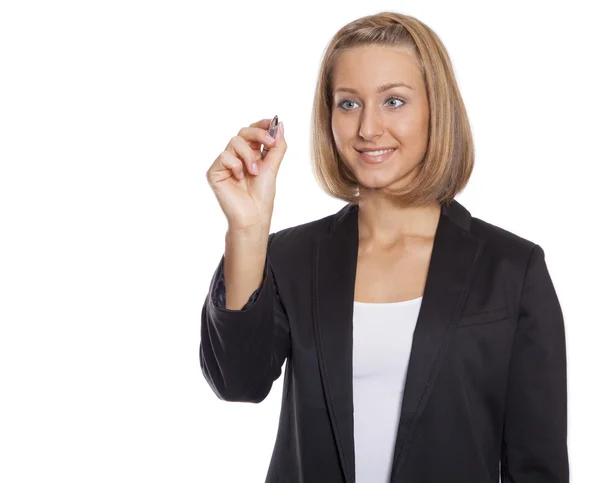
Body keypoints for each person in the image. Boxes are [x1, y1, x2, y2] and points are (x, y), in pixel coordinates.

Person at [200, 11, 569, 483]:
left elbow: (537, 466)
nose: (368, 129)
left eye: (394, 101)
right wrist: (247, 228)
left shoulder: (513, 269)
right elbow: (238, 382)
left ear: (436, 109)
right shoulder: (290, 258)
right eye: (348, 104)